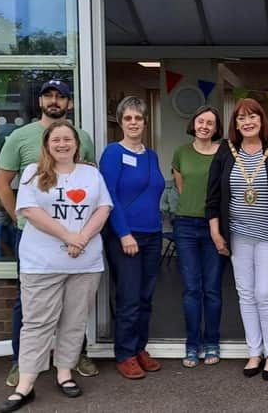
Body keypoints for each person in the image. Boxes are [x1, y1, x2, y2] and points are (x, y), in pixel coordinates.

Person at [0, 121, 112, 413]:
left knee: (74, 322)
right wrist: (68, 237)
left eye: (68, 139)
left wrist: (82, 239)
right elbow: (30, 211)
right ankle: (26, 384)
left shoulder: (91, 174)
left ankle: (65, 373)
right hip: (42, 262)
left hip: (85, 262)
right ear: (47, 144)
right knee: (37, 323)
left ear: (77, 143)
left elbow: (103, 208)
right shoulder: (32, 173)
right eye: (56, 140)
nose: (62, 144)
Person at [0, 80, 98, 386]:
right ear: (40, 101)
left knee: (74, 303)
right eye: (49, 96)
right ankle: (20, 363)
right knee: (27, 304)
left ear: (69, 103)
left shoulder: (83, 137)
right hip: (34, 236)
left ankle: (74, 355)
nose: (54, 101)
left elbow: (88, 176)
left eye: (61, 97)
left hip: (75, 237)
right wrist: (19, 217)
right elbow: (2, 182)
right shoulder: (19, 137)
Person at [206, 98, 268, 380]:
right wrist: (215, 231)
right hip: (238, 235)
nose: (247, 122)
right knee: (245, 294)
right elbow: (213, 195)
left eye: (252, 116)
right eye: (241, 118)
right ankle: (254, 352)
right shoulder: (226, 149)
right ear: (235, 124)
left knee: (264, 292)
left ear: (262, 119)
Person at [99, 96, 166, 379]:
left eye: (138, 118)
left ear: (144, 121)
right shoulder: (113, 153)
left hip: (152, 233)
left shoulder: (151, 155)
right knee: (128, 296)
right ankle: (124, 353)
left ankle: (140, 347)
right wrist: (124, 233)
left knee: (145, 296)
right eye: (128, 118)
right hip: (125, 236)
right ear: (120, 122)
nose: (134, 123)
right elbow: (109, 196)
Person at [172, 106, 226, 368]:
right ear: (194, 124)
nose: (205, 126)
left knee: (213, 289)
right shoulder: (181, 152)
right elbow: (183, 188)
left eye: (211, 123)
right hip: (185, 225)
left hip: (214, 226)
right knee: (192, 289)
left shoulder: (224, 153)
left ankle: (212, 341)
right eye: (201, 121)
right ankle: (192, 345)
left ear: (217, 129)